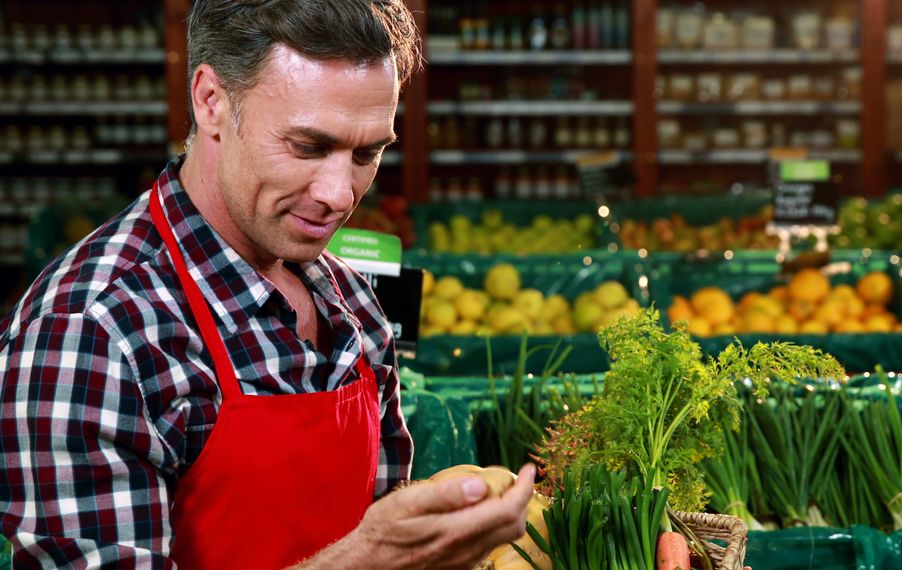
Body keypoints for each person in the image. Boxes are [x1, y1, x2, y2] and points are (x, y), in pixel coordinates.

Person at [0, 1, 535, 568]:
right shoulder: (92, 334)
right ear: (211, 101)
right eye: (308, 146)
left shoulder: (351, 303)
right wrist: (370, 559)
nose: (340, 194)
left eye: (366, 153)